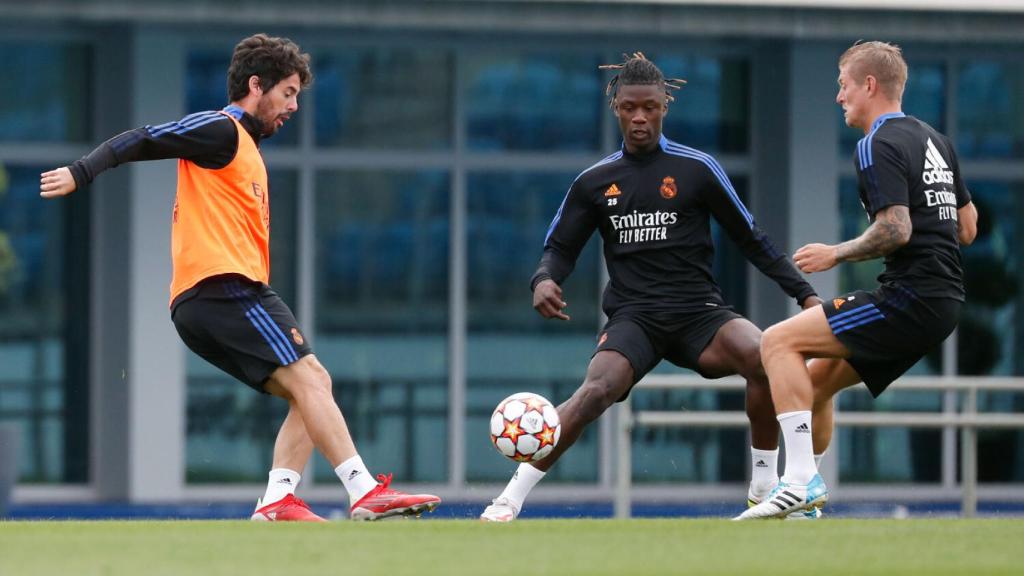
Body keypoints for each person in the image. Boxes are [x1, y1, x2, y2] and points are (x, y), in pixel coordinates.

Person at [39, 33, 440, 522]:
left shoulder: (243, 146)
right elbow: (145, 137)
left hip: (207, 299)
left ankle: (277, 500)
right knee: (312, 378)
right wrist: (82, 171)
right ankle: (362, 490)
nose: (293, 106)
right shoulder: (222, 128)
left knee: (310, 390)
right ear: (256, 85)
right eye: (288, 93)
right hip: (223, 288)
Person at [480, 53, 821, 522]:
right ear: (615, 107)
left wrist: (805, 295)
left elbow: (752, 239)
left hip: (701, 313)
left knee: (765, 356)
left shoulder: (697, 169)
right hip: (634, 317)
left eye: (650, 107)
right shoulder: (594, 182)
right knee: (596, 392)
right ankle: (509, 500)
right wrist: (544, 279)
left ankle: (764, 483)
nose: (639, 118)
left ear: (665, 106)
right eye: (629, 108)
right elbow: (559, 247)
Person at [737, 41, 978, 520]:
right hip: (944, 300)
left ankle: (797, 481)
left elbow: (897, 228)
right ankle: (809, 502)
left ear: (869, 85)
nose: (838, 96)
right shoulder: (936, 140)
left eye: (843, 85)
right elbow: (967, 228)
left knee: (777, 343)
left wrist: (835, 253)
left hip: (911, 297)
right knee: (812, 384)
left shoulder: (877, 143)